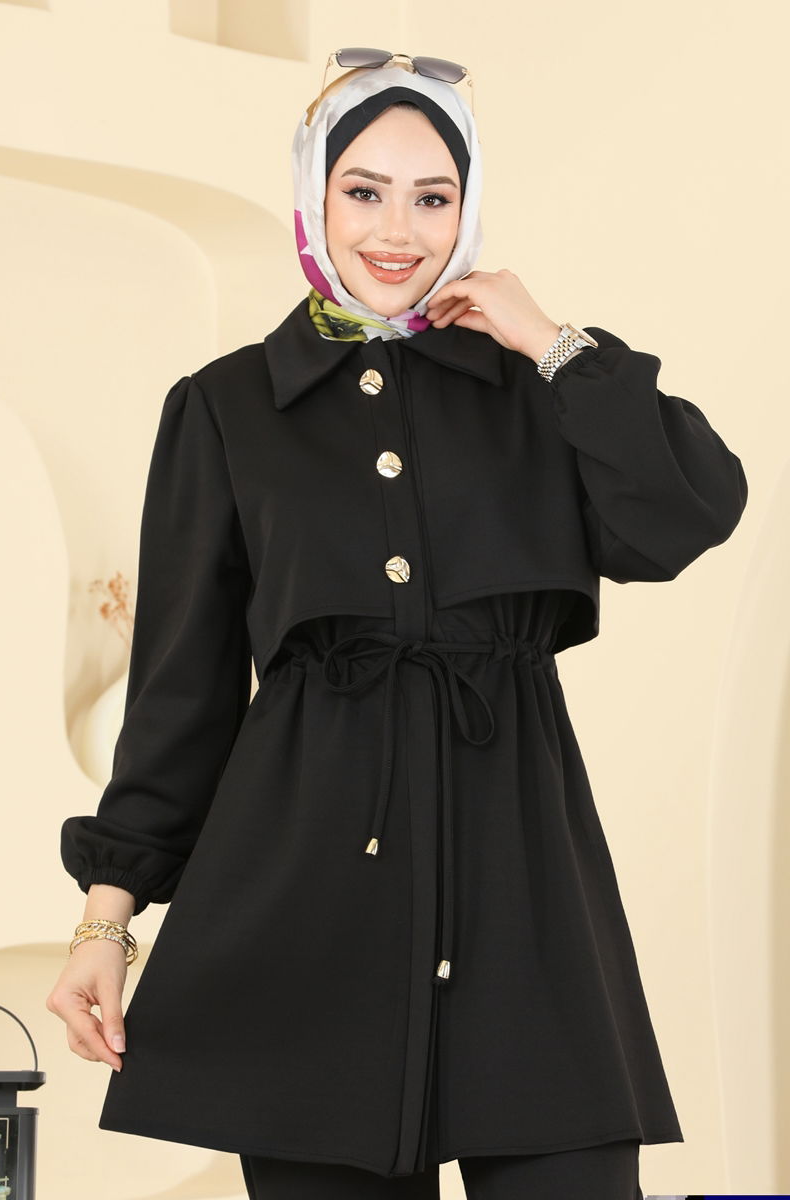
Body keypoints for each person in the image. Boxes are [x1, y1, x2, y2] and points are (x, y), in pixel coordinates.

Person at [46, 50, 748, 1200]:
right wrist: (105, 922)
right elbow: (182, 691)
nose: (396, 229)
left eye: (432, 197)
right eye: (363, 190)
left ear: (468, 209)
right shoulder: (227, 407)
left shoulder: (537, 389)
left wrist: (551, 341)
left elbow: (685, 511)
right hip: (307, 907)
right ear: (312, 196)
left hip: (524, 892)